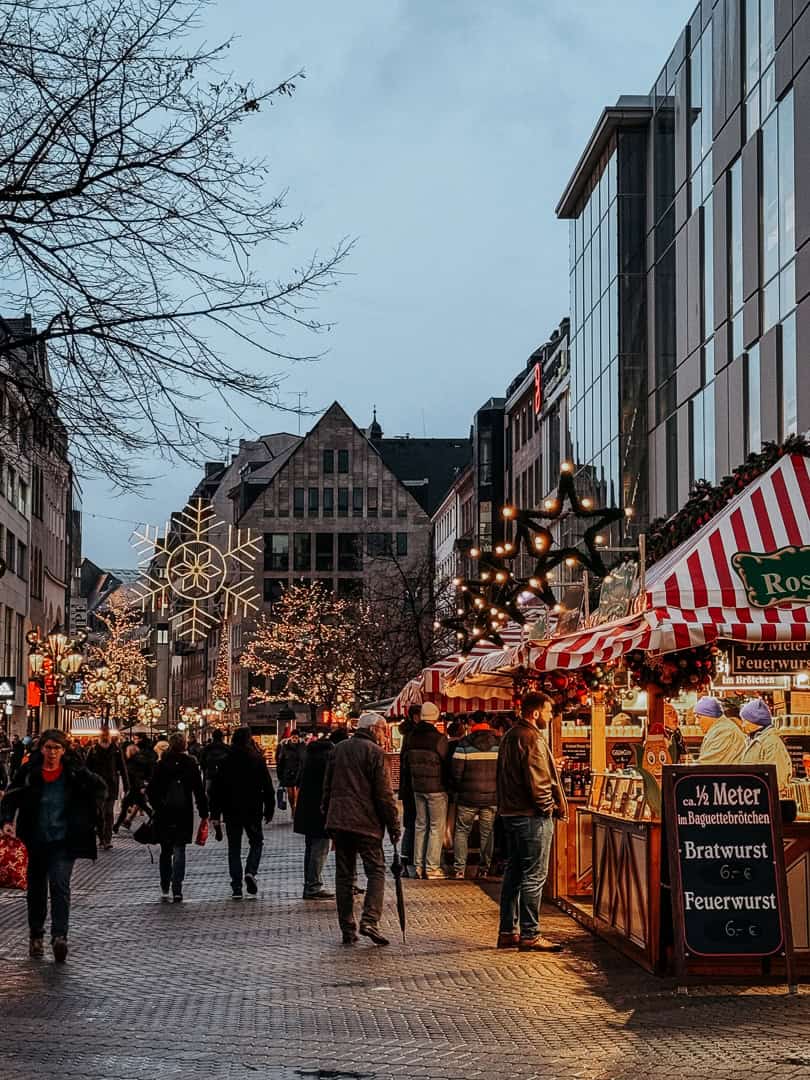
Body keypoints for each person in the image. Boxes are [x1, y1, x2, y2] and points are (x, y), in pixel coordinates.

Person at [0, 729, 106, 962]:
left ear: (64, 750)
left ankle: (60, 937)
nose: (52, 753)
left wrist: (91, 813)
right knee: (36, 889)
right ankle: (36, 934)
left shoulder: (73, 772)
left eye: (57, 748)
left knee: (60, 885)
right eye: (48, 747)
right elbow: (11, 796)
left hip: (64, 840)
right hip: (35, 839)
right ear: (42, 749)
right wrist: (7, 821)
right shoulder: (30, 772)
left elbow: (100, 789)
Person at [496, 692, 567, 952]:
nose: (551, 716)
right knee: (534, 875)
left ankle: (507, 931)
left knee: (514, 873)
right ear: (535, 713)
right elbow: (538, 784)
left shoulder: (510, 736)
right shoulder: (532, 738)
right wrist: (549, 808)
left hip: (511, 814)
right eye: (548, 711)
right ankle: (530, 933)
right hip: (530, 816)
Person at [322, 713, 400, 946]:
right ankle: (370, 920)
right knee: (376, 870)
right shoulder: (375, 753)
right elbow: (384, 795)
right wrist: (394, 824)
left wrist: (328, 814)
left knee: (344, 875)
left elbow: (327, 786)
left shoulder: (338, 749)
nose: (385, 736)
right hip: (366, 823)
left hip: (340, 821)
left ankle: (347, 928)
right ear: (375, 729)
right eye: (384, 731)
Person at [210, 727, 275, 898]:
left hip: (231, 810)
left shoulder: (225, 761)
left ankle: (236, 886)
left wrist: (215, 814)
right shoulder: (257, 759)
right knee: (256, 842)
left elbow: (216, 791)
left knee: (234, 848)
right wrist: (269, 808)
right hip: (253, 809)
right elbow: (267, 787)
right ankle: (251, 871)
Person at [147, 732, 209, 902]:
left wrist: (157, 807)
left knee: (166, 850)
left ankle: (165, 884)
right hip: (183, 812)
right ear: (184, 746)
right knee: (179, 849)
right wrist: (204, 812)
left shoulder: (161, 764)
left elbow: (151, 790)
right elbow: (198, 790)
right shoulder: (190, 764)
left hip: (165, 812)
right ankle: (177, 888)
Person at [293, 730, 347, 900]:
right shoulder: (327, 759)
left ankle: (310, 883)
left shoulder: (312, 756)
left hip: (307, 810)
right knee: (320, 848)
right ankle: (313, 886)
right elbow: (330, 786)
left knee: (311, 848)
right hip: (319, 811)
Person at [450, 710, 500, 879]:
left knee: (462, 831)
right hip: (492, 796)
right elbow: (503, 771)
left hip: (467, 797)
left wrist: (459, 789)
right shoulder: (498, 743)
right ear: (488, 723)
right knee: (488, 833)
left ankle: (459, 870)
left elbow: (456, 772)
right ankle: (484, 870)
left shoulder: (463, 743)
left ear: (472, 723)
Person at [402, 702, 449, 879]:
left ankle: (418, 866)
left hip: (416, 787)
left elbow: (406, 763)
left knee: (420, 825)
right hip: (436, 788)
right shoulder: (439, 739)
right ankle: (432, 867)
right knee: (436, 827)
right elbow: (445, 764)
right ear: (435, 717)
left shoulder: (411, 737)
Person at [85, 725, 128, 850]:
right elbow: (87, 769)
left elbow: (122, 768)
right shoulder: (93, 750)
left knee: (108, 812)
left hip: (111, 785)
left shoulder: (116, 750)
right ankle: (101, 837)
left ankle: (106, 839)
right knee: (99, 813)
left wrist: (126, 785)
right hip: (97, 786)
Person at [739, 698, 793, 793]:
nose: (742, 725)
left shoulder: (772, 743)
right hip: (755, 797)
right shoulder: (754, 739)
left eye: (745, 721)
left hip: (765, 800)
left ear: (755, 721)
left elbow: (778, 780)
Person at [397, 705, 420, 877]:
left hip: (408, 787)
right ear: (414, 716)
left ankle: (406, 856)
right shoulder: (414, 735)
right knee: (413, 823)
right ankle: (407, 857)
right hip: (413, 786)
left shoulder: (408, 734)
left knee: (410, 823)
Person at [113, 741, 155, 832]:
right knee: (142, 806)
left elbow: (133, 775)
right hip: (140, 787)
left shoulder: (131, 762)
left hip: (134, 787)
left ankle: (116, 826)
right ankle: (117, 826)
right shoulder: (143, 760)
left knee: (125, 807)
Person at [695, 696, 745, 764]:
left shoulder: (724, 731)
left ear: (709, 715)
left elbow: (709, 764)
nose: (696, 722)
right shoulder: (720, 728)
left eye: (698, 717)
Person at [276, 731, 305, 813]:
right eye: (293, 737)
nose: (294, 739)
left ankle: (296, 809)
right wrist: (280, 775)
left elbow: (305, 759)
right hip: (288, 773)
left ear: (299, 738)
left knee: (298, 795)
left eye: (296, 737)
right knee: (291, 794)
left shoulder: (303, 746)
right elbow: (280, 761)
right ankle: (293, 808)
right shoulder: (284, 746)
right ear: (290, 737)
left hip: (300, 773)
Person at [200, 728, 229, 796]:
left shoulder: (207, 748)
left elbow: (202, 763)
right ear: (222, 737)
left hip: (210, 776)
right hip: (224, 777)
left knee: (210, 797)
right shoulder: (227, 748)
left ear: (213, 737)